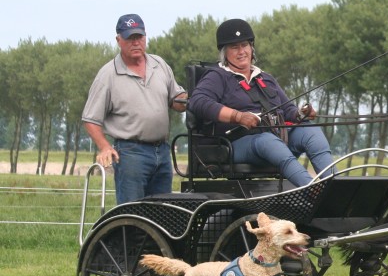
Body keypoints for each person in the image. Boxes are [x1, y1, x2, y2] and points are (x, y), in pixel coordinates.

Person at [187, 18, 334, 187]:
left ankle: (333, 186)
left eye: (245, 45)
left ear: (252, 48)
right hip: (237, 144)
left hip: (276, 138)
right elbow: (197, 102)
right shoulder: (217, 76)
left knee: (311, 131)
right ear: (224, 53)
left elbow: (287, 110)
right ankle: (312, 191)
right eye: (234, 47)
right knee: (267, 141)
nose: (241, 51)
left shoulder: (265, 78)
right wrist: (237, 116)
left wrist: (300, 114)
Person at [82, 13, 187, 204]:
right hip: (130, 153)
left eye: (139, 37)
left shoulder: (159, 65)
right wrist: (104, 146)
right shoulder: (108, 75)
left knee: (164, 213)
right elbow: (90, 119)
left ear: (145, 37)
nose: (136, 42)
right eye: (130, 38)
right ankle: (129, 235)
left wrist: (193, 97)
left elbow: (177, 100)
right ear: (118, 40)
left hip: (162, 151)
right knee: (132, 212)